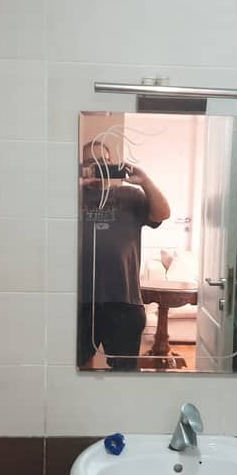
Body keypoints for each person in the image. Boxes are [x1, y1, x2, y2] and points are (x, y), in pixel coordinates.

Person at [77, 140, 171, 370]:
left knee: (124, 372)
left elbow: (162, 213)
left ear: (112, 164)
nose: (98, 167)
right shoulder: (73, 196)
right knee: (77, 368)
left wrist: (145, 181)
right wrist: (75, 186)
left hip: (124, 301)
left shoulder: (130, 195)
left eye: (103, 162)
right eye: (90, 162)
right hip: (79, 300)